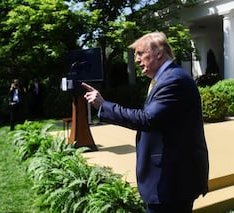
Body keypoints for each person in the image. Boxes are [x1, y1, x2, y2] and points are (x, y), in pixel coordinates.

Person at [82, 32, 209, 213]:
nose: (137, 59)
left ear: (159, 52)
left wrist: (104, 106)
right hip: (172, 178)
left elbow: (147, 119)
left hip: (172, 181)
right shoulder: (166, 79)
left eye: (141, 53)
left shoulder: (173, 80)